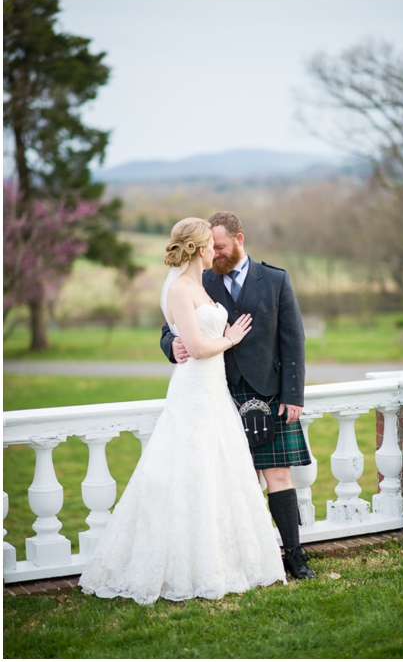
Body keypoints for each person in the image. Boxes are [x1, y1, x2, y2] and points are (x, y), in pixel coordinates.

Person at [80, 218, 286, 604]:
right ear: (197, 248)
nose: (214, 251)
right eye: (210, 245)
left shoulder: (198, 285)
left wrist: (219, 339)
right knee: (187, 471)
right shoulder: (179, 289)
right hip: (193, 392)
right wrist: (229, 338)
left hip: (214, 391)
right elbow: (197, 346)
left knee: (218, 471)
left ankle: (223, 560)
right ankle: (183, 565)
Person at [160, 212, 314, 580]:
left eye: (222, 247)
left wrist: (293, 394)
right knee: (230, 479)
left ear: (239, 239)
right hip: (220, 393)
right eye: (212, 248)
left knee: (278, 475)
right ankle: (243, 558)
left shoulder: (275, 279)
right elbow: (169, 328)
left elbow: (293, 340)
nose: (217, 254)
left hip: (268, 391)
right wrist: (173, 345)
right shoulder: (199, 280)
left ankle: (295, 556)